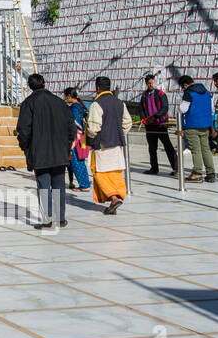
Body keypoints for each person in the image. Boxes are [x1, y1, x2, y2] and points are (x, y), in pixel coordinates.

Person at [16, 73, 76, 229]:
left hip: (40, 152)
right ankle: (60, 218)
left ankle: (48, 220)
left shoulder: (28, 103)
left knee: (44, 185)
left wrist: (25, 146)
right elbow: (71, 127)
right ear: (44, 84)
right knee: (59, 184)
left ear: (30, 87)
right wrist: (68, 145)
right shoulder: (60, 102)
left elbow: (23, 130)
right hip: (60, 151)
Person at [86, 76, 132, 215]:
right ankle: (116, 198)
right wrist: (117, 133)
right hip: (117, 143)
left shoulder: (97, 104)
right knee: (115, 172)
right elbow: (128, 122)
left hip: (102, 144)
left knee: (100, 172)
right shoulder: (119, 103)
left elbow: (93, 127)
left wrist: (91, 136)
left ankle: (113, 197)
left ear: (97, 88)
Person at [178, 75, 216, 182]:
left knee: (195, 150)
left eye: (182, 87)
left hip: (192, 124)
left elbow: (183, 109)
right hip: (205, 125)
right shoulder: (207, 92)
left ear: (185, 85)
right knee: (206, 149)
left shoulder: (188, 93)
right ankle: (210, 172)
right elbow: (212, 108)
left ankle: (197, 173)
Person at [140, 74, 177, 175]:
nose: (151, 85)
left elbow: (165, 108)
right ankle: (154, 168)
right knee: (152, 148)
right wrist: (143, 119)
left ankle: (176, 168)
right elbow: (141, 109)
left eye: (152, 83)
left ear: (155, 82)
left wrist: (155, 116)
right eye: (149, 83)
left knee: (168, 146)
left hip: (161, 124)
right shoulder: (144, 95)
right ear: (146, 84)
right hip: (150, 125)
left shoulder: (160, 94)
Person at [63, 88, 92, 192]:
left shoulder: (74, 107)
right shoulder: (80, 105)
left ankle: (84, 184)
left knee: (76, 161)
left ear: (69, 96)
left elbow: (75, 123)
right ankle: (85, 181)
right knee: (80, 160)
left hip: (76, 137)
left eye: (65, 96)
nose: (65, 98)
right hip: (82, 136)